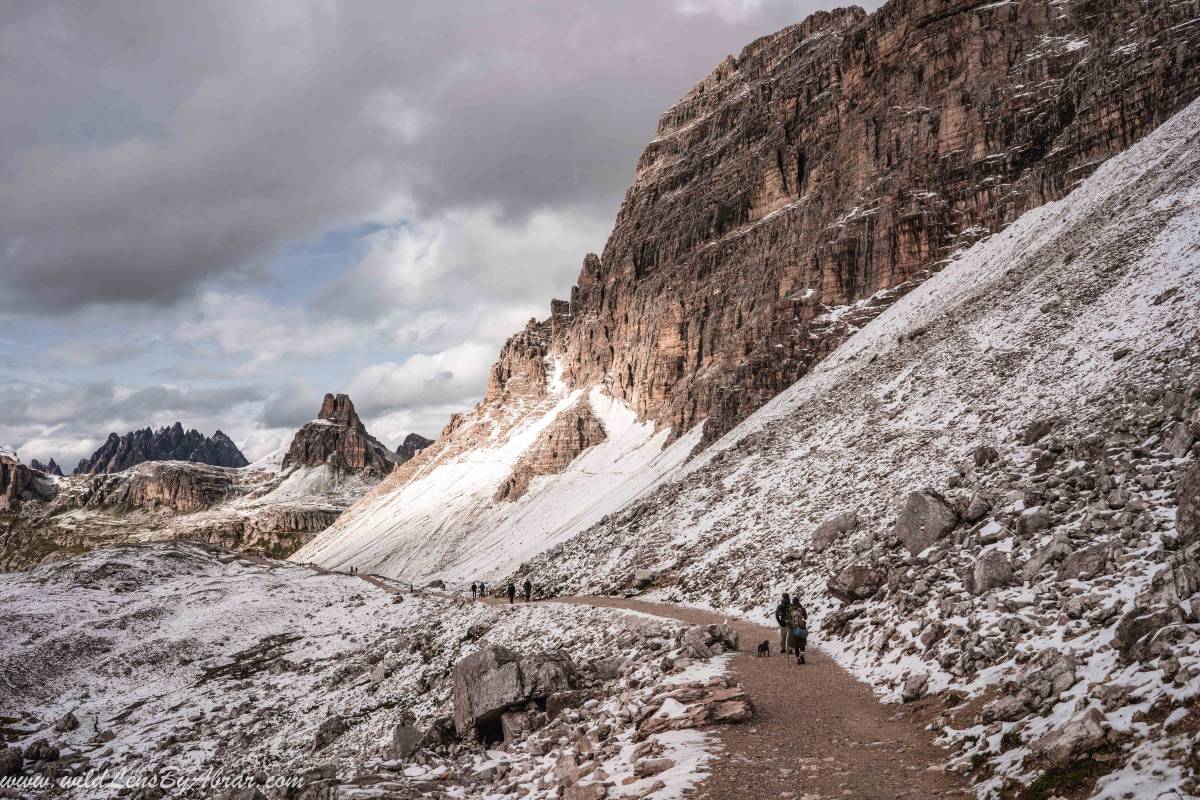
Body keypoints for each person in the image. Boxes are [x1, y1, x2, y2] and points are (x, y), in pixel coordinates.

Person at [786, 599, 809, 664]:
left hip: (794, 629)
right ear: (798, 601)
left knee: (795, 644)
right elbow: (806, 617)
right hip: (802, 628)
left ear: (793, 602)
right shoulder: (802, 608)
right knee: (802, 643)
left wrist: (788, 622)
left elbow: (787, 619)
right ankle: (802, 654)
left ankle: (798, 658)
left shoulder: (790, 609)